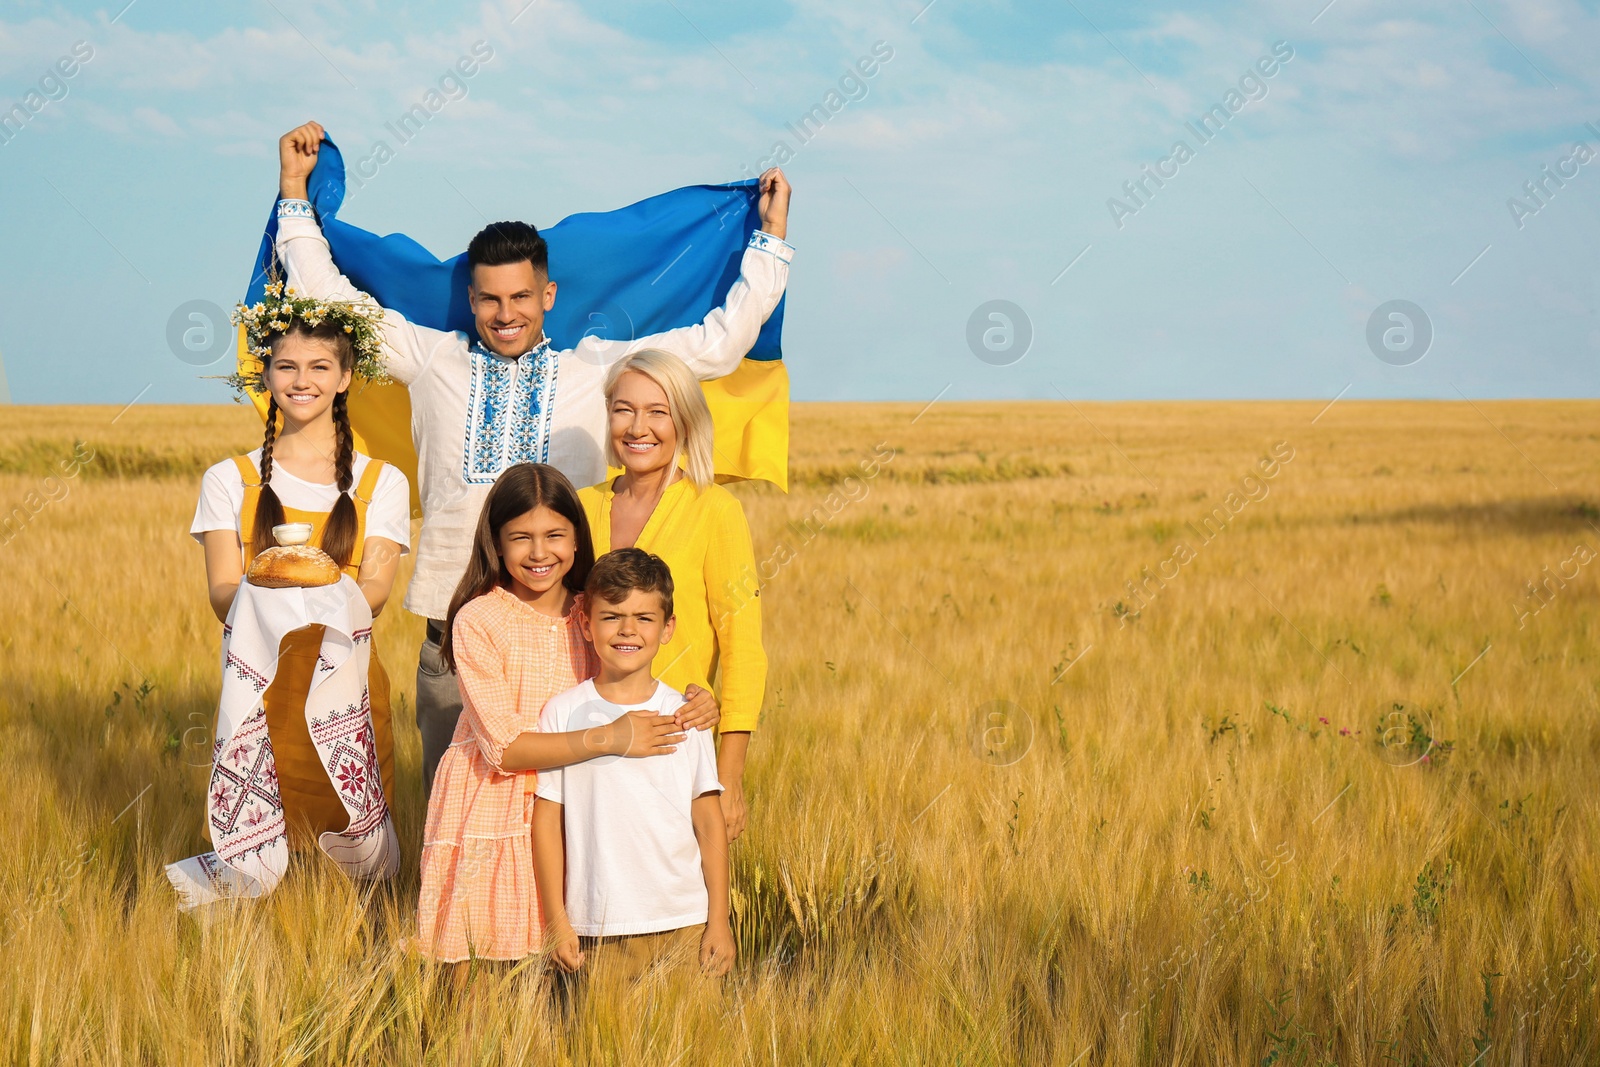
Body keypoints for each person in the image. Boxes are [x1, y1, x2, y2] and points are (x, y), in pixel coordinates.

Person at [274, 121, 794, 794]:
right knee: (453, 827)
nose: (505, 311)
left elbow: (717, 345)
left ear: (547, 296)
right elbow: (327, 293)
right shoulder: (430, 358)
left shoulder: (597, 369)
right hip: (451, 647)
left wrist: (770, 240)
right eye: (489, 298)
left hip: (565, 649)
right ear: (471, 300)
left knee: (558, 844)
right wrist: (293, 192)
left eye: (521, 296)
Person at [417, 464, 691, 966]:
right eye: (520, 537)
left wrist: (695, 705)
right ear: (495, 543)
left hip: (578, 807)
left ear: (576, 537)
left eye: (554, 535)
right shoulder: (478, 619)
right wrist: (609, 737)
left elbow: (635, 688)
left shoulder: (595, 612)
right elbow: (505, 749)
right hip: (493, 805)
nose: (539, 553)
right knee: (481, 967)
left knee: (567, 969)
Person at [191, 293, 409, 842]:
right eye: (285, 365)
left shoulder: (383, 482)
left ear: (345, 376)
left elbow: (377, 588)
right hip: (257, 681)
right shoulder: (229, 479)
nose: (301, 379)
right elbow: (221, 589)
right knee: (264, 833)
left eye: (319, 366)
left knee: (355, 832)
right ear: (264, 374)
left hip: (348, 683)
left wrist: (294, 593)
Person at [579, 350, 765, 842]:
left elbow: (742, 647)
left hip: (675, 747)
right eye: (624, 409)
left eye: (657, 411)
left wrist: (728, 779)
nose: (638, 427)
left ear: (684, 420)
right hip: (584, 743)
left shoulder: (715, 510)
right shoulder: (582, 506)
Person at [533, 548, 734, 980]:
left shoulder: (687, 714)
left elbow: (709, 820)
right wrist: (556, 918)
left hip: (685, 920)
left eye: (644, 618)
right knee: (601, 1047)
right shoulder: (563, 713)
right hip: (599, 928)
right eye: (611, 617)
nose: (628, 630)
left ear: (668, 629)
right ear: (585, 624)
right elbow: (548, 821)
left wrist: (719, 919)